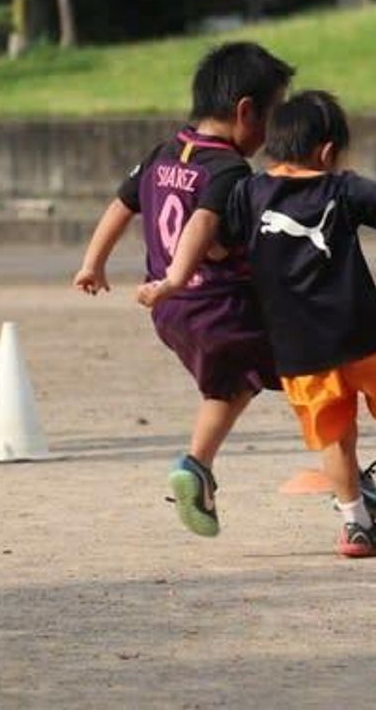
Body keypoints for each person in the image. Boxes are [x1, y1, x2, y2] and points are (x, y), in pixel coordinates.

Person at [138, 90, 376, 558]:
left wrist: (174, 278)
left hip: (300, 356)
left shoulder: (248, 193)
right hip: (364, 336)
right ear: (326, 152)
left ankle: (356, 526)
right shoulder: (340, 188)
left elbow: (203, 226)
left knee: (336, 441)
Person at [74, 42, 295, 538]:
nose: (272, 133)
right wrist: (183, 270)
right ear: (245, 111)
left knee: (234, 383)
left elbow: (120, 204)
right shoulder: (230, 169)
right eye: (273, 116)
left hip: (173, 313)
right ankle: (341, 469)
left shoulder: (163, 152)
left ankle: (197, 465)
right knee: (309, 365)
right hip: (220, 304)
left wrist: (93, 262)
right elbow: (203, 222)